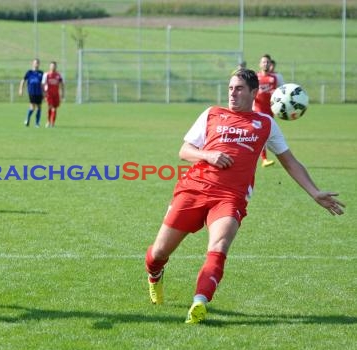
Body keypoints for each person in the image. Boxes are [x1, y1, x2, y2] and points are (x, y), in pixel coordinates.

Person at [144, 68, 345, 324]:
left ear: (253, 92)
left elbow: (290, 162)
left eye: (238, 88)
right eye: (230, 88)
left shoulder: (266, 124)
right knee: (159, 252)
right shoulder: (212, 114)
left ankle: (199, 302)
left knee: (218, 247)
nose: (232, 93)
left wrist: (315, 192)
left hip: (230, 197)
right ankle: (155, 274)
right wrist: (208, 155)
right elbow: (184, 150)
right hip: (193, 188)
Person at [253, 54, 280, 167]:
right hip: (258, 110)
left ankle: (261, 157)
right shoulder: (256, 77)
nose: (265, 64)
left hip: (270, 111)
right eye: (263, 62)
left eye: (267, 62)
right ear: (260, 64)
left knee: (266, 135)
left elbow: (275, 94)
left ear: (270, 64)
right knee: (261, 135)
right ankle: (264, 159)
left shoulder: (273, 78)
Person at [19, 58, 43, 127]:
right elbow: (23, 80)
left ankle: (37, 123)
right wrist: (21, 89)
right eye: (35, 63)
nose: (36, 64)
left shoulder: (41, 73)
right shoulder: (29, 72)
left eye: (38, 63)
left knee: (39, 108)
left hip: (39, 92)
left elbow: (43, 83)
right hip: (32, 92)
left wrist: (44, 92)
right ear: (32, 64)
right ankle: (27, 119)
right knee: (32, 108)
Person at [42, 61, 65, 128]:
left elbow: (61, 84)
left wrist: (62, 93)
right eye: (51, 66)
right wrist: (44, 93)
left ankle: (51, 122)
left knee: (54, 108)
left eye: (54, 66)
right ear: (49, 66)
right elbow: (43, 84)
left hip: (56, 94)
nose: (53, 67)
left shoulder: (58, 75)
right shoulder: (46, 75)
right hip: (49, 94)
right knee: (52, 108)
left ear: (56, 67)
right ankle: (49, 122)